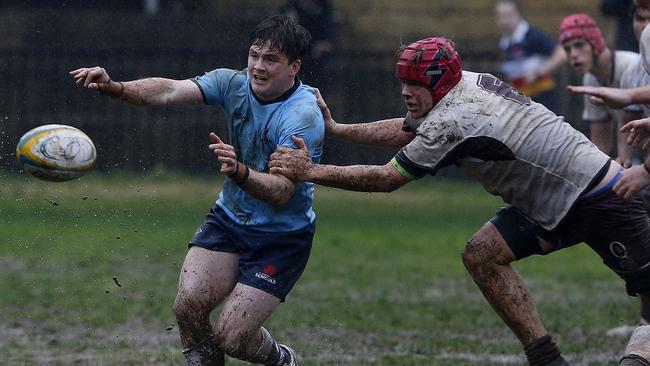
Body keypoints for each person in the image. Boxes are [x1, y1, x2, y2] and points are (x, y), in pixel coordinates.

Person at [268, 36, 650, 366]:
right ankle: (546, 358)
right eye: (403, 82)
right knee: (482, 253)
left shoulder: (456, 120)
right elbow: (407, 129)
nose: (405, 92)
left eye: (414, 84)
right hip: (548, 201)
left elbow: (387, 179)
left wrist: (310, 171)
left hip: (599, 194)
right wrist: (339, 130)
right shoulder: (464, 83)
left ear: (436, 82)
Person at [70, 15, 324, 366]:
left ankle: (281, 359)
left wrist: (239, 172)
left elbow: (282, 191)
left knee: (232, 338)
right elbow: (170, 89)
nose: (258, 67)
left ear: (294, 67)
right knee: (188, 307)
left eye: (271, 59)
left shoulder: (302, 116)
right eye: (254, 55)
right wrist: (116, 86)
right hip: (229, 220)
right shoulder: (232, 83)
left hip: (281, 237)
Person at [560, 13, 639, 162]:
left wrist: (623, 160)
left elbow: (631, 118)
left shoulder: (630, 64)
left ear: (595, 43)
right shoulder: (590, 78)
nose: (573, 54)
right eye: (567, 49)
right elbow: (600, 138)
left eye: (579, 45)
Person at [494, 0, 566, 114]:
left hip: (543, 99)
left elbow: (562, 53)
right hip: (521, 102)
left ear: (519, 14)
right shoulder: (504, 42)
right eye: (501, 16)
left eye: (508, 15)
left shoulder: (533, 35)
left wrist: (538, 73)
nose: (504, 21)